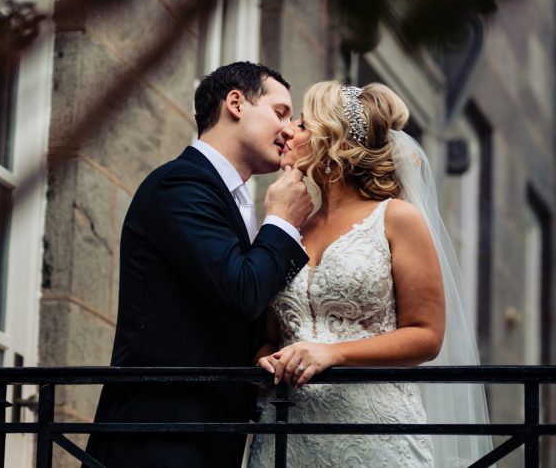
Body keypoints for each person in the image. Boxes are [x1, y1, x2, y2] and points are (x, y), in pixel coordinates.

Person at [247, 81, 491, 467]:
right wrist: (267, 357)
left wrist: (334, 353)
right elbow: (270, 336)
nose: (289, 130)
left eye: (305, 124)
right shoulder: (291, 225)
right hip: (287, 434)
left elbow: (427, 335)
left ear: (337, 145)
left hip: (371, 433)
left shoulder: (396, 218)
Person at [84, 62, 313, 467]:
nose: (289, 130)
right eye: (280, 113)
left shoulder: (233, 198)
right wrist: (282, 221)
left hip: (211, 433)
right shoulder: (181, 184)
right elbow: (241, 291)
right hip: (160, 434)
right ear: (236, 103)